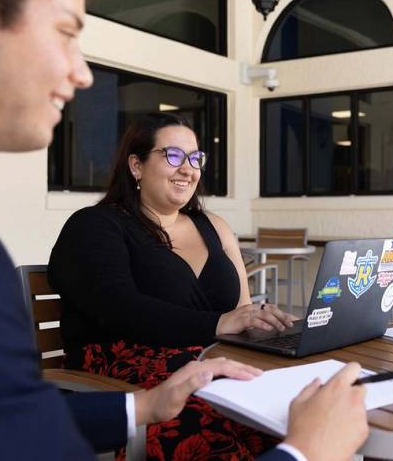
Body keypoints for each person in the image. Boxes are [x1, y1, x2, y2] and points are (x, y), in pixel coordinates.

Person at [0, 0, 368, 461]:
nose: (81, 74)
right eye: (64, 30)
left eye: (196, 157)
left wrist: (142, 405)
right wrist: (305, 455)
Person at [48, 112, 299, 459]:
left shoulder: (215, 226)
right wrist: (219, 323)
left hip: (209, 366)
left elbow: (242, 310)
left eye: (195, 158)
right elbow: (119, 307)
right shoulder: (96, 226)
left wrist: (264, 324)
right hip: (128, 380)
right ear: (136, 165)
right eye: (173, 155)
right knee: (227, 429)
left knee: (296, 408)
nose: (188, 168)